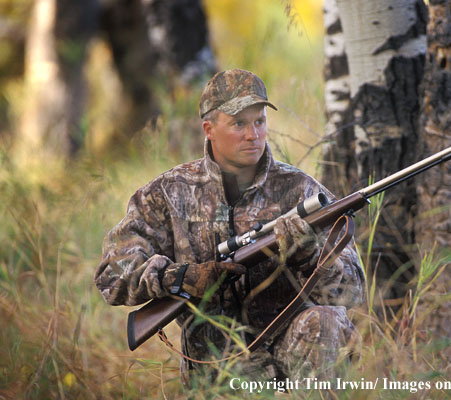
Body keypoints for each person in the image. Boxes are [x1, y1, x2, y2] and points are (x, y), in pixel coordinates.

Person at [95, 69, 365, 387]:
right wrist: (179, 278)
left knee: (329, 322)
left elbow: (353, 291)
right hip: (213, 363)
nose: (253, 134)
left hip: (290, 350)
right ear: (208, 129)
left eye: (259, 121)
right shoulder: (170, 192)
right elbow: (111, 276)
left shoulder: (301, 190)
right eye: (239, 123)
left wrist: (308, 255)